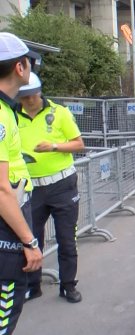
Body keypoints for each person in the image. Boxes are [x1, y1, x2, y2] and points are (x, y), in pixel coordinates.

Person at [17, 72, 85, 303]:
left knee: (67, 239)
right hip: (31, 188)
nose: (27, 101)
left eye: (30, 96)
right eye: (23, 97)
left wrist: (54, 146)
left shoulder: (59, 113)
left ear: (39, 92)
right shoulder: (12, 116)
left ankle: (68, 285)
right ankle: (32, 286)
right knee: (31, 239)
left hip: (62, 185)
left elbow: (79, 143)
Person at [0, 32, 43, 335]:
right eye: (29, 61)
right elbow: (1, 190)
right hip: (6, 236)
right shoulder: (1, 116)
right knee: (6, 313)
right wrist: (30, 241)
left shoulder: (7, 110)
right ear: (19, 67)